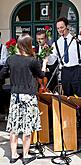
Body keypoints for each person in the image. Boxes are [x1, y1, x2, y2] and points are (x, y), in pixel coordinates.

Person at [0, 34, 47, 164]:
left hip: (15, 96)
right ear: (28, 46)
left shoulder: (10, 59)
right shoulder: (32, 60)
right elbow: (41, 75)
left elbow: (2, 75)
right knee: (27, 127)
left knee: (14, 126)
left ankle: (14, 155)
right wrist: (45, 63)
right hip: (29, 96)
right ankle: (25, 155)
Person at [48, 17, 81, 97]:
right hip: (65, 72)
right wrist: (46, 54)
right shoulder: (57, 43)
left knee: (80, 97)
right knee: (68, 97)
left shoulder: (78, 38)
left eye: (62, 27)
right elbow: (51, 61)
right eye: (58, 28)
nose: (60, 30)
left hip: (78, 70)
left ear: (67, 26)